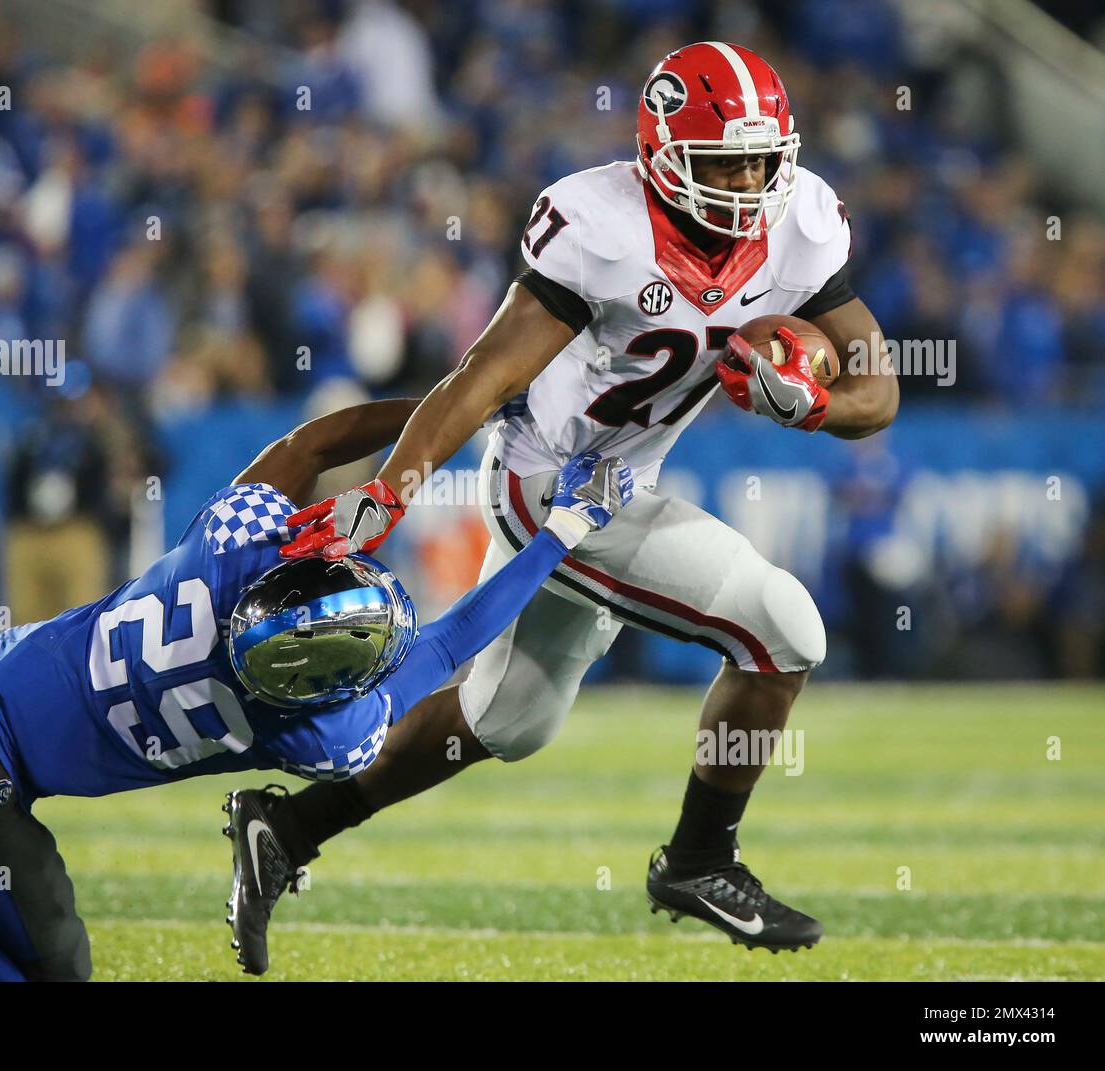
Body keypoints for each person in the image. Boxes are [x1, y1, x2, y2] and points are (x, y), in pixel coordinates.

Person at [236, 42, 900, 968]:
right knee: (785, 628)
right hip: (551, 483)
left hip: (625, 483)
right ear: (663, 155)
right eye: (723, 163)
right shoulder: (602, 227)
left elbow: (879, 386)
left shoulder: (803, 225)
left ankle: (287, 826)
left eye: (761, 159)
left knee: (510, 720)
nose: (748, 183)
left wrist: (819, 405)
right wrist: (392, 489)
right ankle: (701, 857)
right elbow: (480, 379)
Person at [0, 397, 633, 980]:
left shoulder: (231, 544)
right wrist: (562, 528)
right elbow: (457, 634)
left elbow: (317, 439)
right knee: (47, 971)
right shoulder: (319, 732)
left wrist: (463, 405)